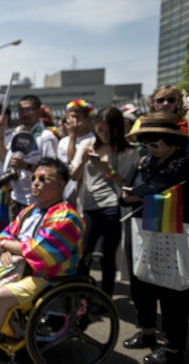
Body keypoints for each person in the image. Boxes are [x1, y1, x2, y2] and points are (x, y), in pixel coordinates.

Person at [0, 157, 86, 363]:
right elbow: (5, 235)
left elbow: (41, 251)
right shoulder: (29, 210)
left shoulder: (67, 216)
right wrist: (6, 246)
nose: (35, 182)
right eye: (34, 177)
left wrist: (9, 246)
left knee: (0, 295)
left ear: (61, 184)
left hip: (48, 278)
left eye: (43, 179)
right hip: (20, 269)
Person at [121, 112, 189, 364]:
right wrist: (134, 197)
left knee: (173, 290)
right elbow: (124, 195)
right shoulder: (142, 164)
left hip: (174, 233)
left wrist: (153, 198)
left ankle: (174, 347)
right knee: (140, 283)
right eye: (145, 141)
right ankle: (146, 330)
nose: (149, 146)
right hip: (142, 230)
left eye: (155, 141)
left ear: (171, 140)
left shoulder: (188, 165)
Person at [70, 106, 139, 296]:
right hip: (88, 207)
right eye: (99, 130)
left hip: (113, 207)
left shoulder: (128, 152)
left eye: (107, 130)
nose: (103, 134)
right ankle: (81, 294)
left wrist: (107, 169)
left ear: (117, 129)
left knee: (108, 256)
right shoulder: (88, 145)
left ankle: (104, 297)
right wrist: (83, 160)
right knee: (84, 252)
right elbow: (74, 177)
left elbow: (128, 184)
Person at [2, 95, 58, 220]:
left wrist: (25, 166)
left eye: (28, 110)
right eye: (21, 110)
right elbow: (6, 164)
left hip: (37, 202)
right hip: (16, 199)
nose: (24, 114)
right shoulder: (17, 134)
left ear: (38, 111)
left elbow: (52, 171)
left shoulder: (46, 137)